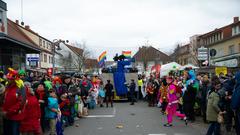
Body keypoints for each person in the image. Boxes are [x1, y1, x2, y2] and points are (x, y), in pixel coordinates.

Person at [2, 68, 27, 135]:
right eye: (8, 79)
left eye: (10, 79)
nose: (8, 80)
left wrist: (9, 112)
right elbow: (4, 100)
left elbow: (21, 103)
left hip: (15, 117)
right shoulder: (7, 87)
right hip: (6, 116)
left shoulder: (21, 88)